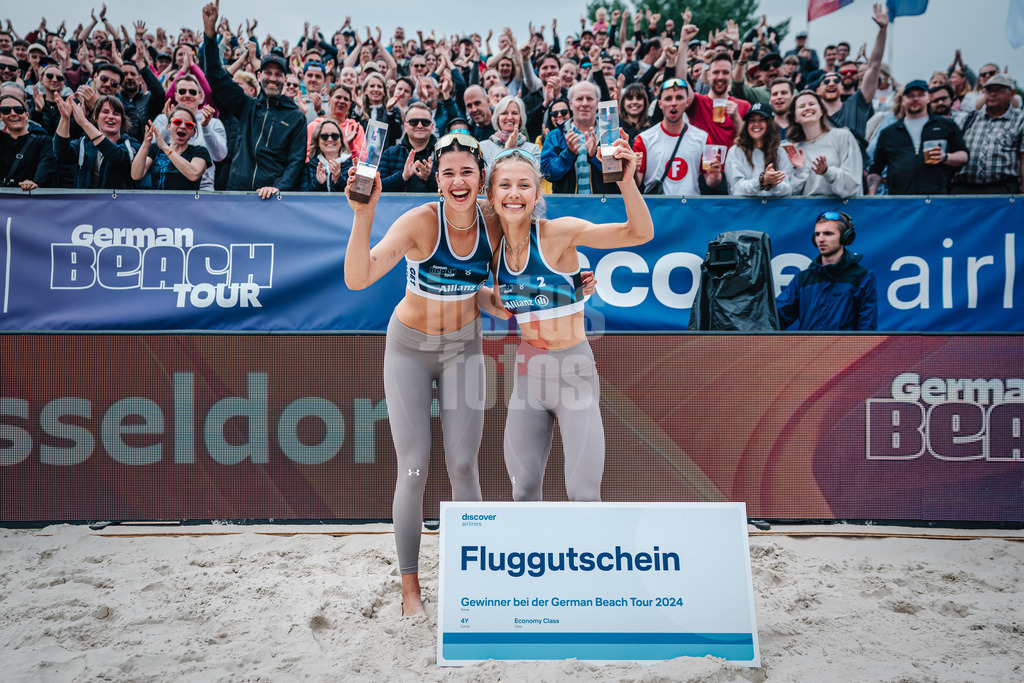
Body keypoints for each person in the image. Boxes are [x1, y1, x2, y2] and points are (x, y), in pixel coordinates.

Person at [344, 132, 500, 617]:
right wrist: (363, 215)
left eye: (467, 172)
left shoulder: (494, 223)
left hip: (463, 348)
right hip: (409, 349)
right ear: (437, 177)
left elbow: (487, 293)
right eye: (448, 172)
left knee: (464, 467)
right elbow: (358, 277)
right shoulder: (419, 223)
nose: (458, 181)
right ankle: (410, 590)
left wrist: (509, 304)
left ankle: (470, 581)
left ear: (481, 179)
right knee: (413, 467)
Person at [485, 140, 652, 502]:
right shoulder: (492, 248)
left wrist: (626, 182)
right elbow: (501, 305)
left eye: (524, 185)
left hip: (573, 369)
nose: (514, 193)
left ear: (536, 193)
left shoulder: (557, 233)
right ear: (492, 193)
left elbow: (639, 234)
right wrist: (569, 292)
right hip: (528, 371)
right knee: (523, 492)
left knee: (583, 494)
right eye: (505, 185)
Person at [200, 1, 306, 198]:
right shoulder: (246, 106)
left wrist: (278, 188)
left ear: (285, 79)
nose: (273, 78)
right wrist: (209, 33)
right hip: (238, 194)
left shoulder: (295, 117)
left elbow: (296, 161)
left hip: (272, 198)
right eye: (268, 72)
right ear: (259, 76)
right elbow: (215, 76)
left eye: (278, 74)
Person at [776, 210, 877, 331]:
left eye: (828, 234)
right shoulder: (802, 279)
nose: (821, 239)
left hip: (847, 350)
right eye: (817, 234)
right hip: (808, 349)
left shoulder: (862, 277)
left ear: (846, 237)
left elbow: (867, 330)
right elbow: (776, 319)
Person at [867, 80, 968, 196]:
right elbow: (876, 170)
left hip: (936, 200)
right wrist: (871, 195)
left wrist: (944, 157)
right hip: (899, 201)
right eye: (910, 96)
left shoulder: (945, 125)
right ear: (903, 100)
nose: (915, 99)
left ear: (928, 98)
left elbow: (964, 156)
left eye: (920, 95)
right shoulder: (889, 132)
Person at [634, 78, 720, 196]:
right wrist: (632, 169)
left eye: (679, 98)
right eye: (668, 99)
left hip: (689, 208)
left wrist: (715, 174)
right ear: (660, 104)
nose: (673, 103)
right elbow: (636, 182)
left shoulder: (703, 138)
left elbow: (711, 180)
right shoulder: (643, 139)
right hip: (656, 209)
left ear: (687, 102)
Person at [540, 80, 619, 194]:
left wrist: (595, 155)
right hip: (568, 208)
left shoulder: (610, 132)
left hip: (603, 207)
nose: (585, 103)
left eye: (590, 98)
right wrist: (569, 154)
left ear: (597, 103)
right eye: (579, 99)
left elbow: (617, 175)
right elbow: (547, 174)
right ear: (570, 103)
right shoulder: (555, 135)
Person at [951, 74, 1024, 195]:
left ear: (1011, 94)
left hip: (1002, 192)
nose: (992, 94)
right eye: (989, 90)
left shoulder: (1020, 120)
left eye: (999, 90)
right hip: (964, 190)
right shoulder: (970, 118)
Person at [154, 73, 227, 192]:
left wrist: (205, 127)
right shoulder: (162, 119)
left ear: (201, 97)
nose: (187, 95)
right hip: (166, 187)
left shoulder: (213, 123)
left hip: (202, 189)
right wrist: (169, 125)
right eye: (182, 91)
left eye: (192, 92)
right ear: (176, 95)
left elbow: (220, 156)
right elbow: (150, 148)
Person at [784, 90, 863, 197]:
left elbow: (852, 184)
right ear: (795, 117)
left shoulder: (843, 136)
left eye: (812, 104)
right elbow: (791, 192)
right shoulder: (794, 150)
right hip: (809, 210)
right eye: (802, 106)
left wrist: (827, 172)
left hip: (841, 209)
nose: (807, 108)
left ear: (821, 111)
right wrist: (800, 170)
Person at [53, 94, 140, 189]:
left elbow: (117, 156)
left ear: (122, 120)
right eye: (105, 112)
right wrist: (65, 118)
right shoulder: (84, 143)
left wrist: (83, 122)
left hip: (118, 203)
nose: (111, 116)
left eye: (116, 114)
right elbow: (62, 153)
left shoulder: (130, 144)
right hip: (86, 203)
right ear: (95, 117)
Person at [130, 107, 211, 190]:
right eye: (177, 122)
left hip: (187, 202)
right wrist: (145, 144)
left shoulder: (199, 151)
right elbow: (136, 175)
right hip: (158, 202)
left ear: (194, 132)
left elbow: (194, 174)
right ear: (169, 126)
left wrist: (165, 147)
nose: (183, 126)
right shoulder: (156, 149)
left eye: (189, 124)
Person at [726, 102, 793, 197]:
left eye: (761, 120)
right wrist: (762, 180)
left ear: (770, 124)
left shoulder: (780, 152)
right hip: (744, 210)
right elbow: (736, 189)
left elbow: (789, 189)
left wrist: (775, 185)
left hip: (774, 209)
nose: (756, 124)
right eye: (752, 120)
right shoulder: (736, 151)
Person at [377, 102, 438, 192]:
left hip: (433, 206)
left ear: (432, 127)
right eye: (414, 122)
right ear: (405, 126)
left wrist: (430, 178)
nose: (420, 126)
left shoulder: (443, 154)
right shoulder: (390, 153)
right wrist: (402, 177)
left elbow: (452, 188)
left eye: (425, 122)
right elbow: (378, 188)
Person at [1, 92, 55, 190]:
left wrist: (34, 184)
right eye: (6, 110)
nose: (13, 114)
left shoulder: (44, 142)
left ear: (26, 115)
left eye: (19, 110)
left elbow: (45, 174)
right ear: (0, 117)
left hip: (30, 202)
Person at [479, 95, 541, 170]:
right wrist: (507, 152)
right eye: (504, 113)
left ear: (521, 118)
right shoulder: (483, 147)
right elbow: (485, 178)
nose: (509, 117)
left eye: (514, 113)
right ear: (498, 118)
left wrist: (514, 153)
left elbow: (532, 178)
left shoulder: (533, 149)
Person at [304, 118, 351, 192]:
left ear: (341, 140)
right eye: (324, 136)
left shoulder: (353, 167)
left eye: (335, 136)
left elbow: (356, 200)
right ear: (317, 141)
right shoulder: (307, 168)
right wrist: (318, 183)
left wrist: (338, 180)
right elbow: (301, 200)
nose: (330, 139)